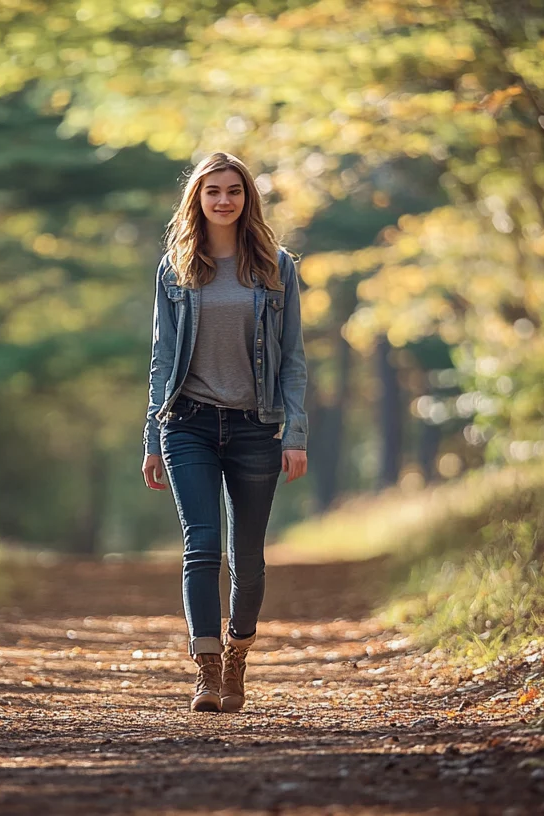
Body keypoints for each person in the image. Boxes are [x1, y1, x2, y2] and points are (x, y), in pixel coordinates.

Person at [141, 151, 309, 713]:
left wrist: (295, 432)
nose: (223, 200)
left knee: (249, 557)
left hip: (255, 426)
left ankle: (239, 649)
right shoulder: (176, 268)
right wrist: (150, 439)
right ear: (197, 199)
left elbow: (293, 358)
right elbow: (162, 359)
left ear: (246, 198)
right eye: (212, 190)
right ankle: (208, 671)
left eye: (233, 190)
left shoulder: (275, 267)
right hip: (186, 421)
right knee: (202, 547)